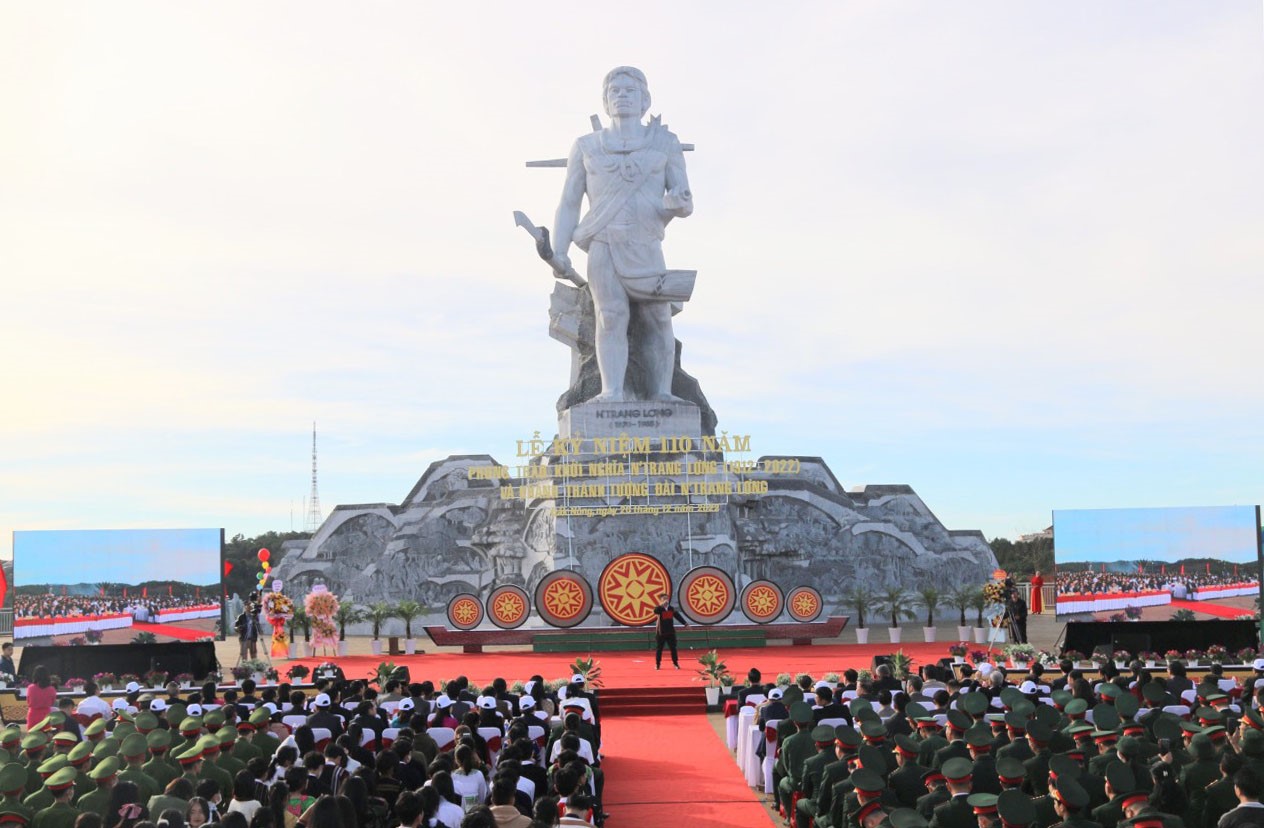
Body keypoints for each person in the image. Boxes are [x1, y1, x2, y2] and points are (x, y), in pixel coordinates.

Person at [551, 66, 695, 402]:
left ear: (645, 100)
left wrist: (677, 204)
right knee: (611, 315)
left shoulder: (665, 143)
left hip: (646, 242)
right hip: (604, 242)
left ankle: (662, 393)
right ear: (605, 101)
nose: (622, 95)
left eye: (630, 90)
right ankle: (611, 392)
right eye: (614, 90)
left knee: (658, 316)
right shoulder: (586, 146)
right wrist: (560, 249)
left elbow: (684, 200)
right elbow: (569, 201)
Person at [651, 592, 687, 670]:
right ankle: (658, 664)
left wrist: (685, 624)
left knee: (673, 648)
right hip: (661, 632)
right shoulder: (659, 609)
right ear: (660, 601)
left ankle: (675, 663)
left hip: (670, 632)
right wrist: (662, 605)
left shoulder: (671, 608)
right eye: (664, 599)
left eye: (667, 598)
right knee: (659, 649)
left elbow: (678, 616)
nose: (666, 600)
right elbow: (655, 611)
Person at [26, 664, 58, 730]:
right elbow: (52, 703)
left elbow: (28, 701)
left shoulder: (30, 688)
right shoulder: (51, 689)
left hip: (33, 715)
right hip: (46, 715)